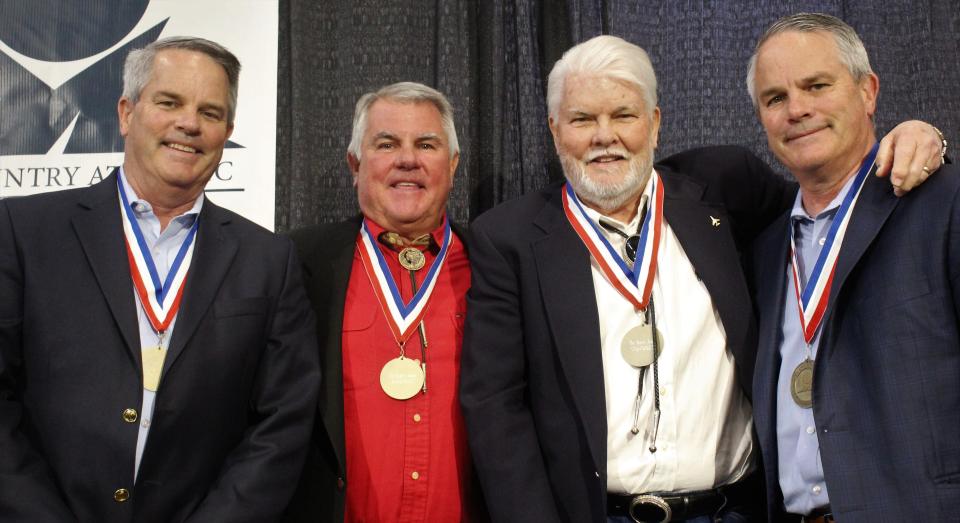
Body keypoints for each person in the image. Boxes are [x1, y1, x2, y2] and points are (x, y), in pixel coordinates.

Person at [459, 34, 944, 523]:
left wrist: (919, 136)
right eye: (583, 119)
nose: (604, 136)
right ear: (554, 130)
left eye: (624, 116)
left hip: (735, 511)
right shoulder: (509, 238)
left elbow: (834, 202)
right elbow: (496, 408)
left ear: (654, 124)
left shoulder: (725, 188)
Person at [0, 37, 319, 522]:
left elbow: (281, 424)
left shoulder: (269, 259)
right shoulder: (24, 232)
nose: (189, 123)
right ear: (127, 113)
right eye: (169, 102)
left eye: (210, 113)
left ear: (227, 132)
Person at [746, 13, 956, 523]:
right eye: (775, 98)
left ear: (868, 92)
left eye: (816, 86)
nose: (797, 110)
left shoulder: (943, 202)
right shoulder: (767, 248)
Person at [283, 82, 484, 522]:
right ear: (355, 164)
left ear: (452, 165)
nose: (407, 159)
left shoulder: (495, 265)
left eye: (426, 144)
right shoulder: (296, 264)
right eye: (386, 143)